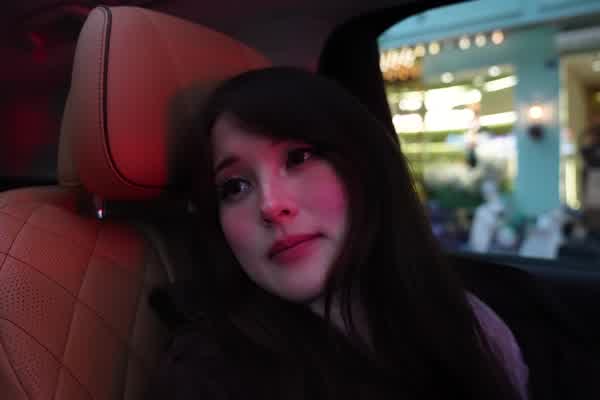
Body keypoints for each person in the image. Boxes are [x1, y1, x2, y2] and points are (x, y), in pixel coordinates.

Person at [149, 67, 529, 399]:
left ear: (366, 165)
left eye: (298, 158)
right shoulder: (210, 375)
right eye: (235, 187)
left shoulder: (472, 323)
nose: (271, 205)